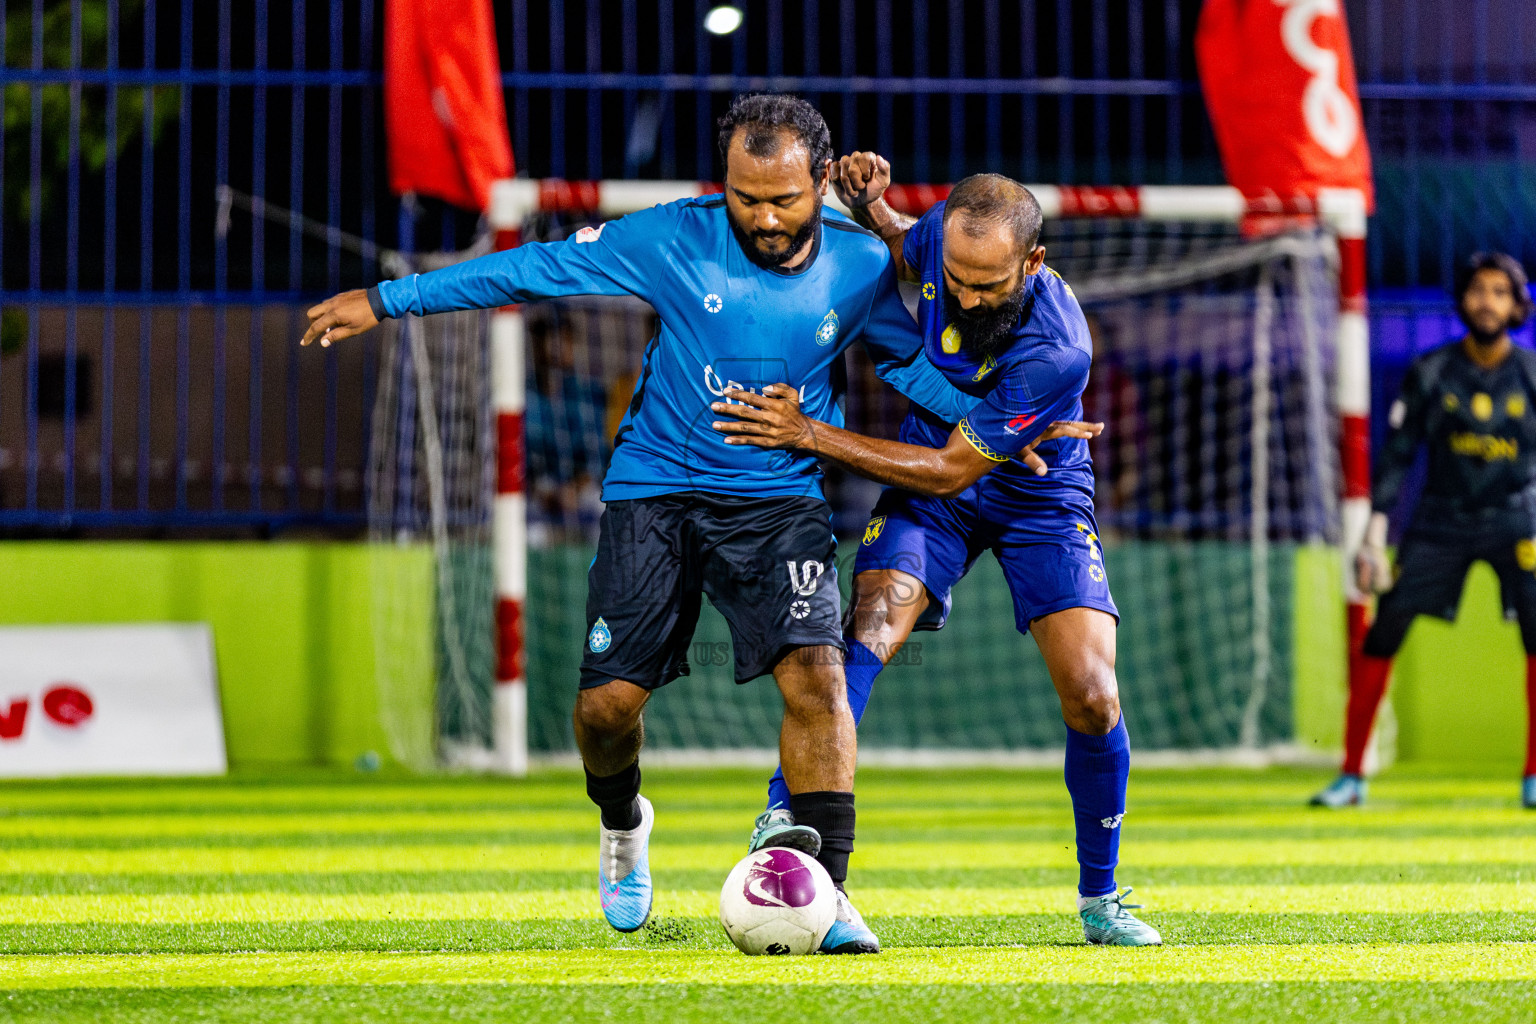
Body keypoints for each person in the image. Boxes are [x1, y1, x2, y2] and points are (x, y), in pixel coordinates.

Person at [300, 94, 1008, 954]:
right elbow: (529, 269)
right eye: (746, 197)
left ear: (822, 180)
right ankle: (623, 821)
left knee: (820, 684)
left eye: (783, 198)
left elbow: (911, 367)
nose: (765, 217)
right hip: (656, 493)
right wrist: (387, 298)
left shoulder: (859, 264)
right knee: (605, 711)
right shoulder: (670, 237)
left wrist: (1005, 428)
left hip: (780, 503)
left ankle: (827, 893)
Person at [713, 155, 1162, 945]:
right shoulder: (939, 243)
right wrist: (873, 207)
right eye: (956, 275)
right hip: (931, 499)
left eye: (988, 284)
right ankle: (787, 811)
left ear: (1034, 262)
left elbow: (958, 470)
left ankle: (1101, 898)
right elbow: (903, 248)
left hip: (1036, 498)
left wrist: (810, 433)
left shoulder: (1062, 348)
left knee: (1094, 694)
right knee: (867, 632)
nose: (966, 296)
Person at [1312, 251, 1536, 810]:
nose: (1488, 300)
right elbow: (1399, 455)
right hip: (1441, 520)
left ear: (1516, 305)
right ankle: (1353, 774)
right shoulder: (1432, 370)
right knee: (1383, 632)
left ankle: (1534, 776)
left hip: (1519, 519)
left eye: (1500, 292)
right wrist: (1373, 532)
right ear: (1462, 298)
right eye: (1479, 289)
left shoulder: (1531, 375)